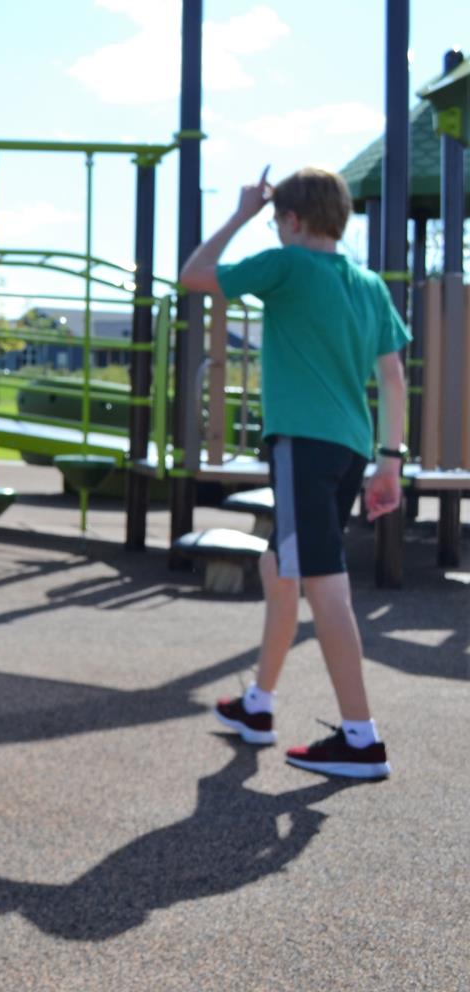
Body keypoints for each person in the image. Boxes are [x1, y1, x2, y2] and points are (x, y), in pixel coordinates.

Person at [179, 166, 405, 781]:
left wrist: (241, 213)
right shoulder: (367, 284)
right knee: (278, 567)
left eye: (278, 221)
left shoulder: (286, 265)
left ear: (292, 220)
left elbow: (194, 275)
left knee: (324, 584)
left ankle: (361, 739)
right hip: (351, 448)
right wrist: (391, 464)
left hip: (302, 445)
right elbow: (392, 378)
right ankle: (259, 705)